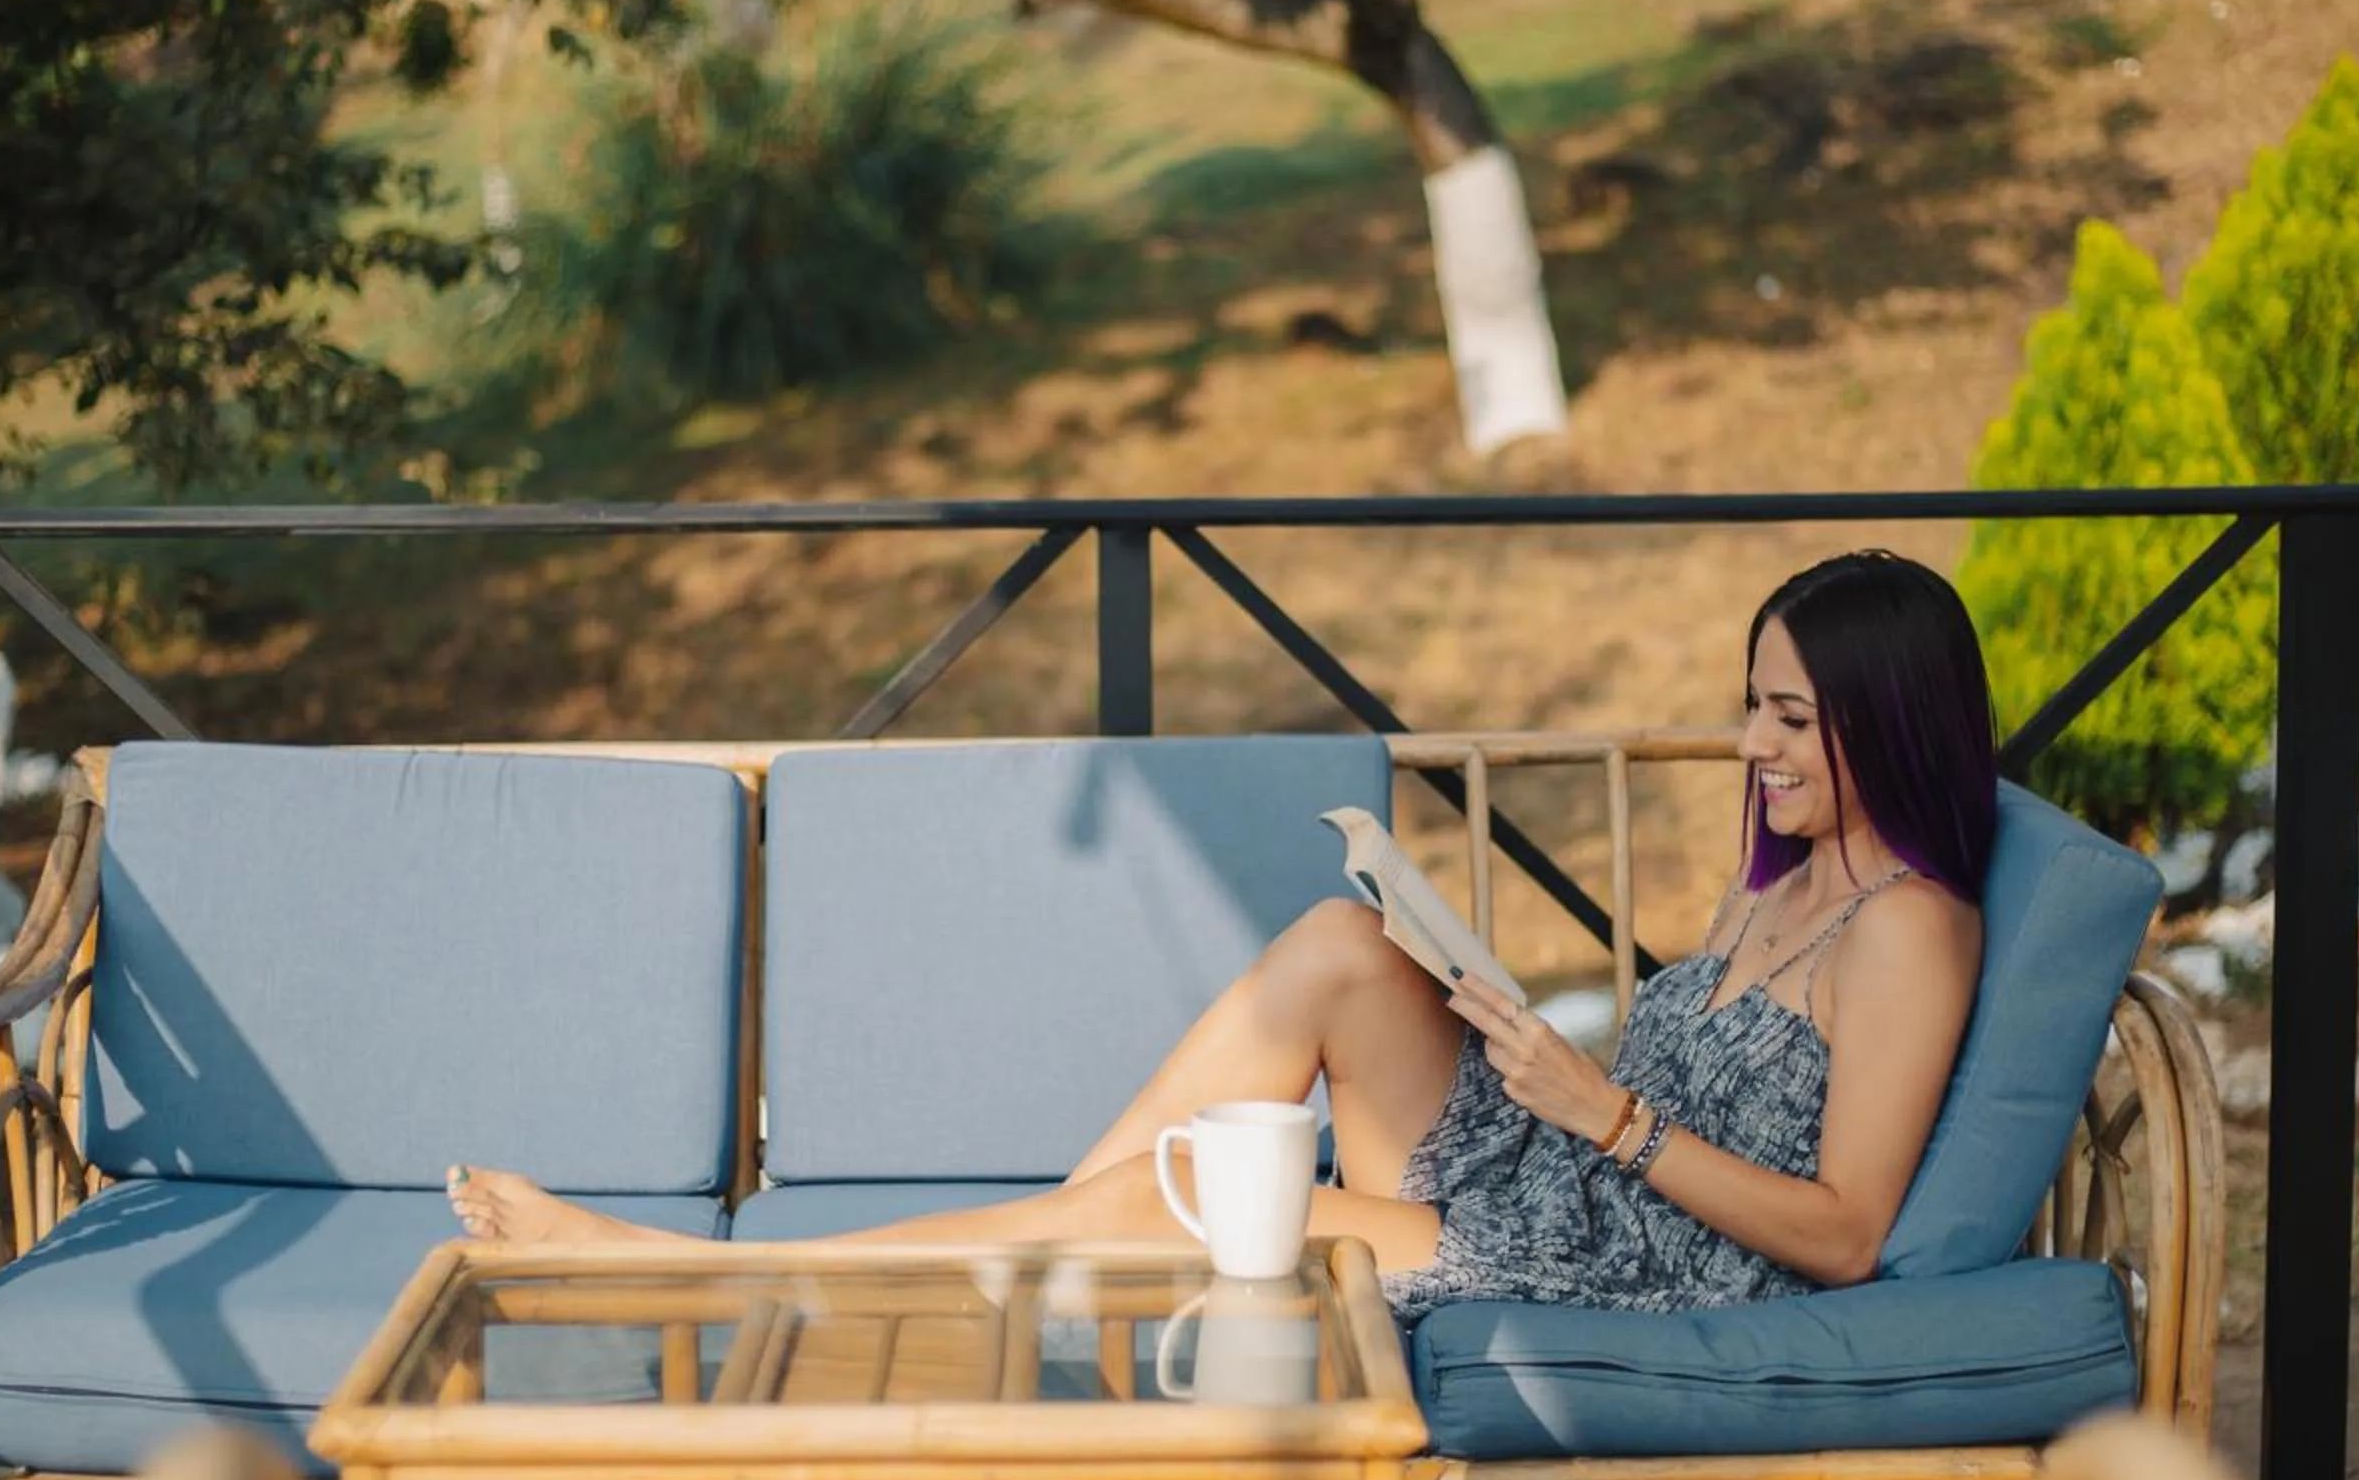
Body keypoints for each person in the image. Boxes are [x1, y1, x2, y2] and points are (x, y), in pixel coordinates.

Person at [450, 548, 1995, 1322]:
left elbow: (1847, 1234)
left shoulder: (1909, 931)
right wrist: (1529, 1045)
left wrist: (1609, 1112)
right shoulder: (1784, 873)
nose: (1752, 747)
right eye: (1753, 706)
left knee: (1171, 1205)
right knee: (1340, 941)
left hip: (1623, 1264)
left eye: (1791, 718)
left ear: (1885, 721)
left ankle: (692, 1284)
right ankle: (1032, 1282)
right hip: (1571, 1173)